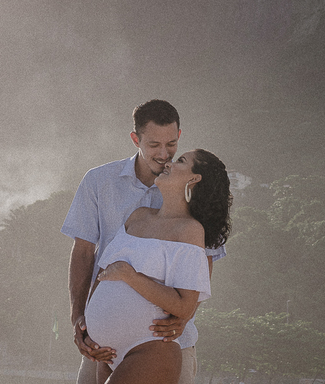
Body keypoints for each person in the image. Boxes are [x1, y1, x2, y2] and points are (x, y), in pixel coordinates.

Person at [62, 100, 226, 384]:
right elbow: (86, 254)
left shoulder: (191, 210)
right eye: (153, 145)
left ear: (179, 136)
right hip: (100, 348)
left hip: (164, 341)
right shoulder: (101, 182)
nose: (164, 155)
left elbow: (203, 263)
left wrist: (183, 317)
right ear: (135, 139)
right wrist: (80, 317)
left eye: (172, 145)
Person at [84, 148, 232, 384]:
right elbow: (105, 273)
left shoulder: (190, 230)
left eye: (181, 161)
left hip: (150, 348)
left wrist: (132, 276)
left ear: (194, 179)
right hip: (106, 353)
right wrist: (90, 330)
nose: (169, 163)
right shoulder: (138, 215)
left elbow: (185, 306)